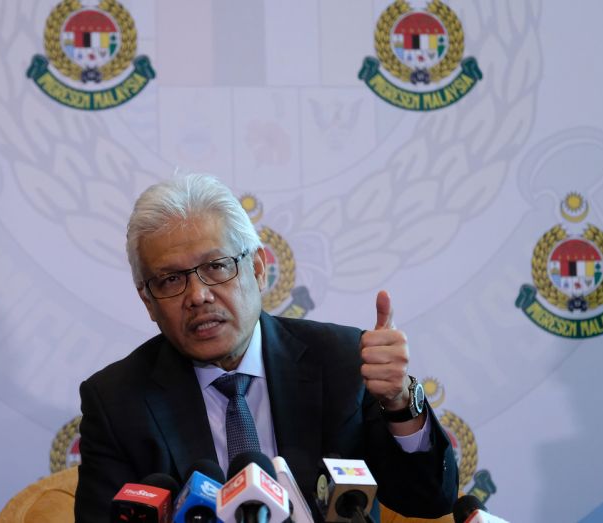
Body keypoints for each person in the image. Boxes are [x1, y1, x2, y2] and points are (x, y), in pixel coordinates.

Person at [74, 174, 458, 521]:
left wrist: (399, 401)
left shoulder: (341, 361)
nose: (199, 296)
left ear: (257, 269)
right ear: (148, 301)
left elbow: (428, 500)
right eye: (171, 279)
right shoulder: (116, 402)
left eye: (216, 266)